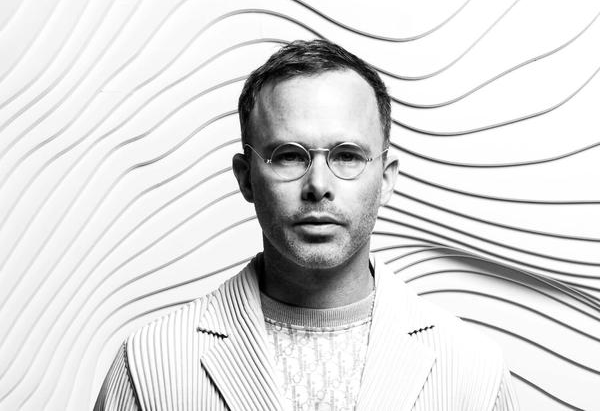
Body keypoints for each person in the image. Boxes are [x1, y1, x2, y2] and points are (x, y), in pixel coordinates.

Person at [94, 39, 519, 410]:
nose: (318, 185)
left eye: (348, 155)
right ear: (246, 178)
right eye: (289, 156)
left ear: (386, 179)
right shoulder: (148, 364)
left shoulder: (472, 370)